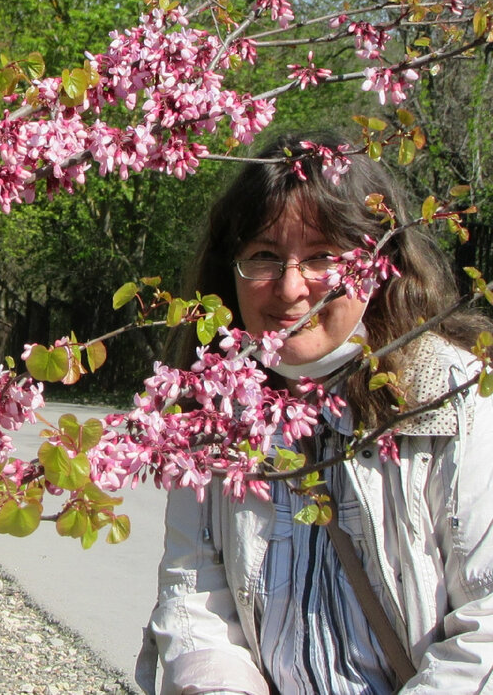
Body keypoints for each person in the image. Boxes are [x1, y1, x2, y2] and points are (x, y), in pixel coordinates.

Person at [139, 131, 493, 694]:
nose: (290, 287)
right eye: (263, 257)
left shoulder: (455, 398)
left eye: (324, 257)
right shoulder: (213, 411)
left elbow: (486, 625)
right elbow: (196, 602)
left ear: (381, 267)